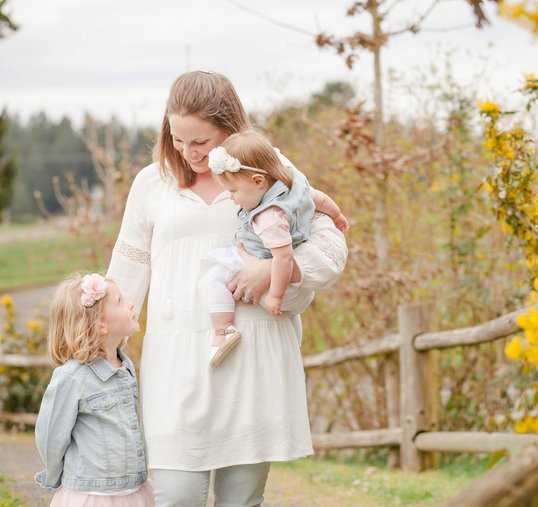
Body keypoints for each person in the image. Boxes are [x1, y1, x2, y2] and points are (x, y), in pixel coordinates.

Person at [106, 70, 348, 506]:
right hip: (176, 363)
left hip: (252, 356)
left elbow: (331, 248)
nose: (189, 152)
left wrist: (271, 272)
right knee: (175, 497)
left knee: (241, 501)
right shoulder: (151, 183)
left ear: (230, 128)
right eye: (179, 140)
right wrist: (99, 346)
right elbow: (128, 270)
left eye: (201, 141)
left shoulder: (268, 169)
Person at [204, 129, 349, 367]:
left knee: (215, 278)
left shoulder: (269, 218)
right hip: (276, 259)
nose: (231, 198)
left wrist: (275, 295)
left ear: (258, 181)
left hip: (259, 257)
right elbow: (319, 199)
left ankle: (223, 331)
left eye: (233, 191)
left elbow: (284, 258)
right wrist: (338, 215)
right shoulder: (292, 182)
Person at [35, 272, 155, 506]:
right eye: (120, 301)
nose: (130, 303)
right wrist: (60, 477)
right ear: (100, 326)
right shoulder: (72, 377)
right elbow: (51, 437)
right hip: (92, 494)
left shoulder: (125, 365)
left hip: (133, 490)